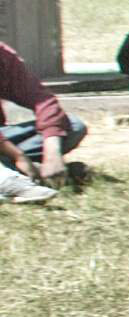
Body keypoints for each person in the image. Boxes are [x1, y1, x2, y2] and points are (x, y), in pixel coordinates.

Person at [0, 37, 80, 202]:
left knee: (73, 126)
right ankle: (13, 180)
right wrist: (18, 156)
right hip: (6, 147)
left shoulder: (3, 55)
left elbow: (42, 99)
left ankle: (26, 172)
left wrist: (52, 152)